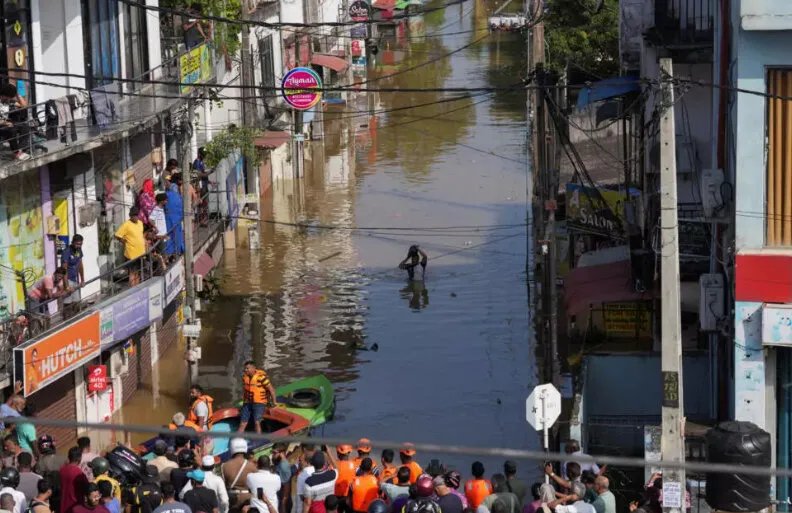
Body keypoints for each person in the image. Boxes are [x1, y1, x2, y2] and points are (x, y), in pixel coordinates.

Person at [238, 361, 276, 434]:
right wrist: (244, 403)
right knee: (243, 422)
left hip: (259, 403)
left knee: (257, 422)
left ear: (253, 368)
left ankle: (258, 439)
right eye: (245, 368)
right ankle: (237, 438)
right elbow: (245, 391)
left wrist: (274, 402)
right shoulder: (244, 377)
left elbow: (271, 389)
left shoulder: (261, 378)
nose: (245, 370)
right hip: (247, 402)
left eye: (247, 368)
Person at [114, 206, 146, 285]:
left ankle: (137, 287)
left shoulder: (140, 223)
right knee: (132, 272)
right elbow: (117, 235)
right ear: (130, 216)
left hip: (141, 252)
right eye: (133, 215)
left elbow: (140, 235)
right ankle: (133, 288)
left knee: (138, 272)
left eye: (136, 215)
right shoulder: (126, 224)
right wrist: (124, 242)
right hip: (131, 253)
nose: (135, 217)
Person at [220, 439, 255, 507]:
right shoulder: (251, 466)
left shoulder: (224, 466)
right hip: (248, 499)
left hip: (232, 500)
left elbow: (224, 485)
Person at [0, 83, 31, 161]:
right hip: (2, 125)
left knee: (24, 126)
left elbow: (24, 106)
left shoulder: (9, 101)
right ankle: (17, 153)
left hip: (7, 123)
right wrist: (5, 123)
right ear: (4, 95)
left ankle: (22, 150)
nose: (10, 99)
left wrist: (17, 94)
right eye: (9, 97)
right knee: (11, 130)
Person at [60, 234, 85, 311]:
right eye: (77, 244)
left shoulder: (79, 250)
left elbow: (80, 265)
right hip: (67, 280)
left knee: (76, 303)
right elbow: (64, 269)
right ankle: (66, 320)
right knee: (68, 304)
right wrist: (66, 286)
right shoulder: (66, 252)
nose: (78, 246)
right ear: (72, 242)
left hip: (75, 280)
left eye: (80, 244)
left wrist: (82, 280)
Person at [60, 447, 89, 513]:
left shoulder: (62, 470)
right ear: (79, 458)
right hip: (75, 507)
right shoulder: (78, 472)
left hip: (63, 507)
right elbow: (87, 488)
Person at [164, 174, 185, 258]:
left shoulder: (167, 195)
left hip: (169, 218)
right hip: (177, 218)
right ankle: (178, 250)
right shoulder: (179, 197)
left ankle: (170, 252)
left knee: (169, 235)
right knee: (177, 234)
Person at [271, 444, 292, 513]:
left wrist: (283, 504)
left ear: (282, 453)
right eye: (272, 452)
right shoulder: (279, 463)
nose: (272, 455)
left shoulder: (284, 466)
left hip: (283, 501)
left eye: (274, 453)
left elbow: (287, 485)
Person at [333, 445, 355, 510]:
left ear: (338, 453)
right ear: (349, 452)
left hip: (336, 496)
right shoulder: (354, 465)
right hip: (349, 496)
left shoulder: (334, 465)